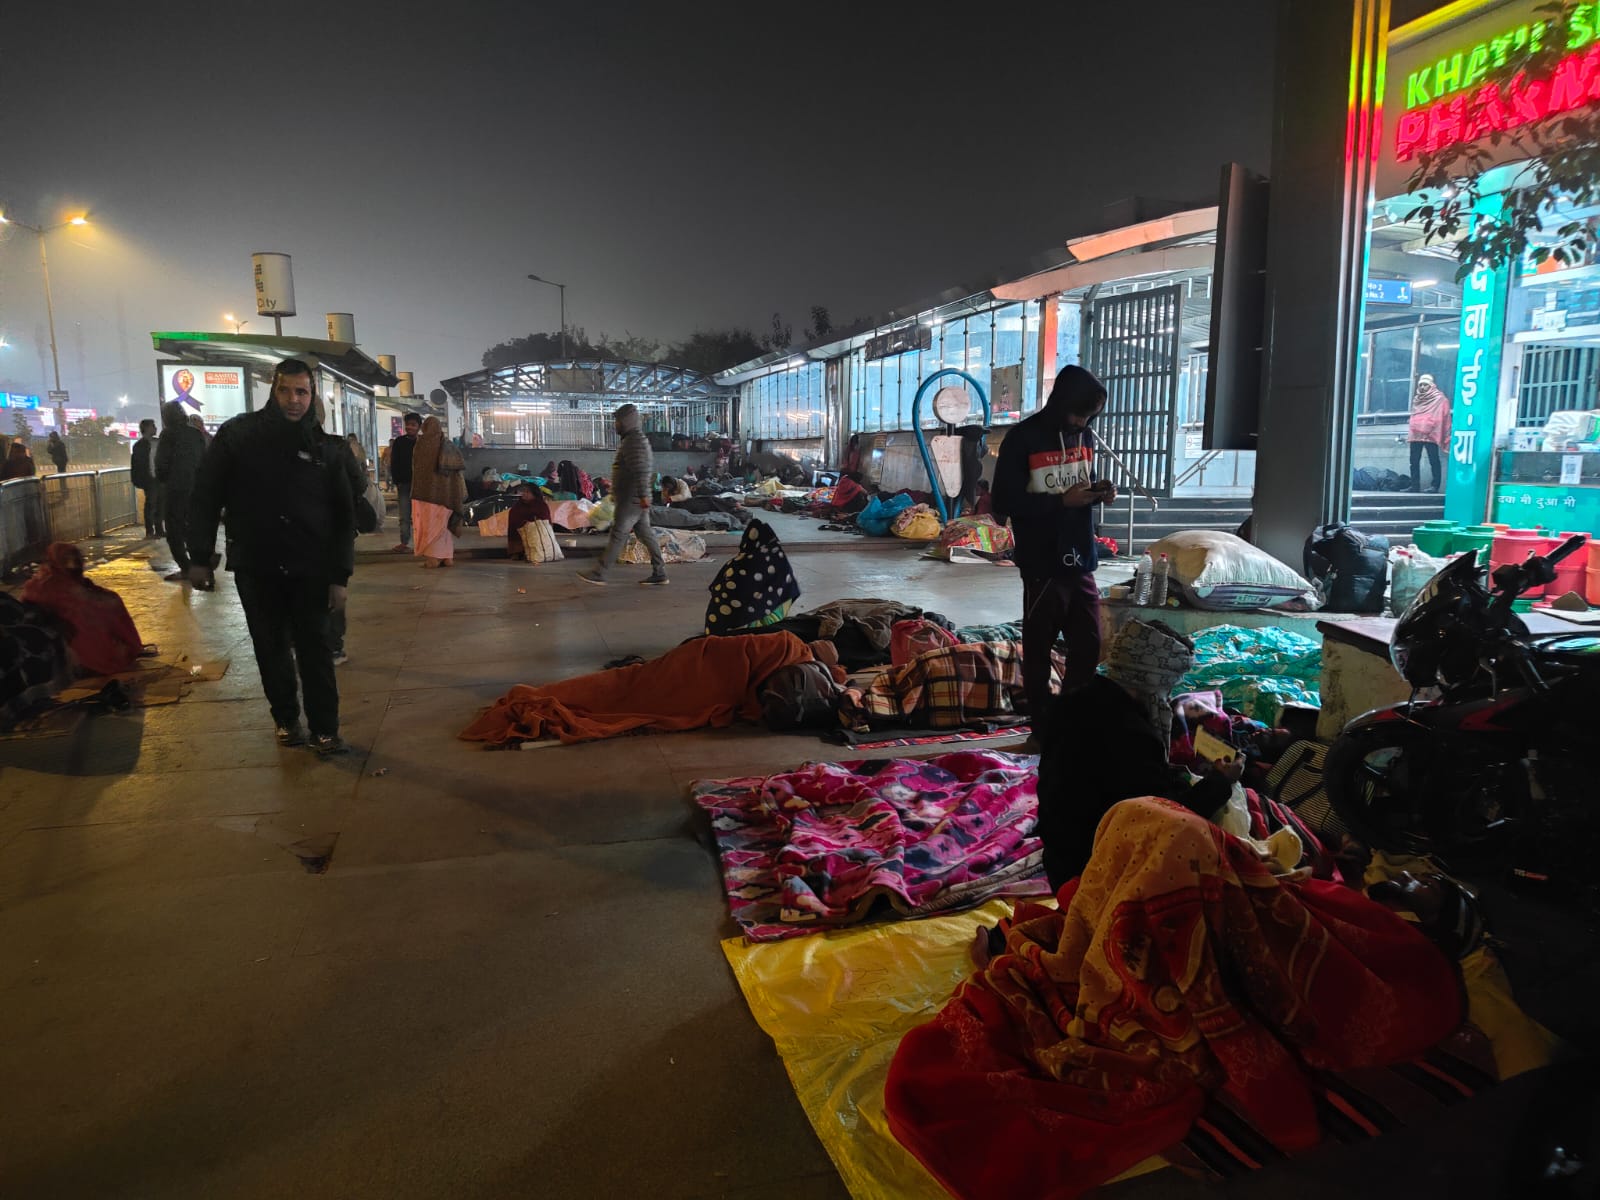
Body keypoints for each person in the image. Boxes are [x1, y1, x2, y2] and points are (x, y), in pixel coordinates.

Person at [186, 357, 355, 754]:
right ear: (272, 391)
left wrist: (340, 576)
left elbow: (344, 517)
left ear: (312, 397)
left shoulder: (327, 449)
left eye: (302, 392)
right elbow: (206, 496)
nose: (294, 400)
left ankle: (325, 729)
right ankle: (286, 719)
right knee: (270, 647)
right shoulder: (237, 437)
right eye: (285, 390)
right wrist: (200, 556)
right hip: (257, 566)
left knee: (316, 649)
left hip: (311, 568)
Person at [1035, 618, 1243, 889]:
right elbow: (1167, 822)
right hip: (1096, 875)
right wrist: (1220, 781)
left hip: (1059, 861)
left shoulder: (1070, 703)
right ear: (1154, 679)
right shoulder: (1132, 733)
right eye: (1169, 685)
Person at [991, 365, 1117, 750]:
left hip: (1081, 556)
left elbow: (1078, 484)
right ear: (1060, 402)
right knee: (1039, 649)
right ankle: (1043, 728)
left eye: (1089, 417)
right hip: (1042, 561)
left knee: (1089, 645)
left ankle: (1071, 721)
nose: (1082, 423)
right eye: (1078, 414)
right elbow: (1003, 503)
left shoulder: (1084, 435)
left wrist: (1098, 492)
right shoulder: (1022, 439)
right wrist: (1061, 502)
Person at [579, 402, 667, 586]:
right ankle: (659, 572)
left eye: (618, 421)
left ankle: (600, 573)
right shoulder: (633, 440)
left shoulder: (634, 442)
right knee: (646, 534)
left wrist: (643, 495)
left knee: (618, 535)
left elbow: (641, 470)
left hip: (631, 499)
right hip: (634, 498)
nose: (615, 425)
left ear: (626, 421)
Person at [155, 400, 208, 583]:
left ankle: (186, 568)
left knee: (174, 529)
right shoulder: (196, 434)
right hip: (196, 488)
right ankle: (201, 564)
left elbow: (161, 464)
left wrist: (164, 480)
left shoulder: (168, 434)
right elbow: (205, 460)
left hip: (176, 489)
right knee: (192, 528)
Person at [409, 415, 466, 567]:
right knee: (444, 525)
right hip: (447, 495)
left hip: (425, 494)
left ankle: (433, 558)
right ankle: (447, 557)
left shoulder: (422, 444)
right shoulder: (449, 446)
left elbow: (418, 469)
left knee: (429, 525)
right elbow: (457, 472)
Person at [1407, 373, 1450, 493]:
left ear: (1431, 385)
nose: (1422, 387)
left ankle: (1435, 486)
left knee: (1433, 459)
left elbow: (1444, 416)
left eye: (1425, 385)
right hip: (1416, 434)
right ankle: (1414, 485)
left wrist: (1433, 426)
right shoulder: (1417, 399)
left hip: (1431, 434)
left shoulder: (1439, 399)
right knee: (1413, 460)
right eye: (1420, 385)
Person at [389, 411, 421, 553]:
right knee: (404, 515)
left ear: (419, 427)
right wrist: (397, 480)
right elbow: (394, 462)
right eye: (408, 424)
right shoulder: (399, 442)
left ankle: (421, 542)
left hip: (420, 485)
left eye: (413, 425)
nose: (410, 427)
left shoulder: (423, 443)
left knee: (420, 515)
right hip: (404, 484)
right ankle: (404, 542)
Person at [130, 420, 163, 538]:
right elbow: (137, 465)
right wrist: (138, 479)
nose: (155, 428)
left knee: (160, 505)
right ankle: (150, 531)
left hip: (160, 477)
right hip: (149, 479)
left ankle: (159, 530)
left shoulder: (158, 442)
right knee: (151, 504)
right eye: (153, 426)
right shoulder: (140, 446)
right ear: (147, 428)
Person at [505, 481, 552, 559]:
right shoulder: (518, 506)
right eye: (523, 491)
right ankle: (517, 551)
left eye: (527, 492)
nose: (524, 493)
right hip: (520, 532)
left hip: (537, 535)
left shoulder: (541, 505)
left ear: (534, 494)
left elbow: (545, 521)